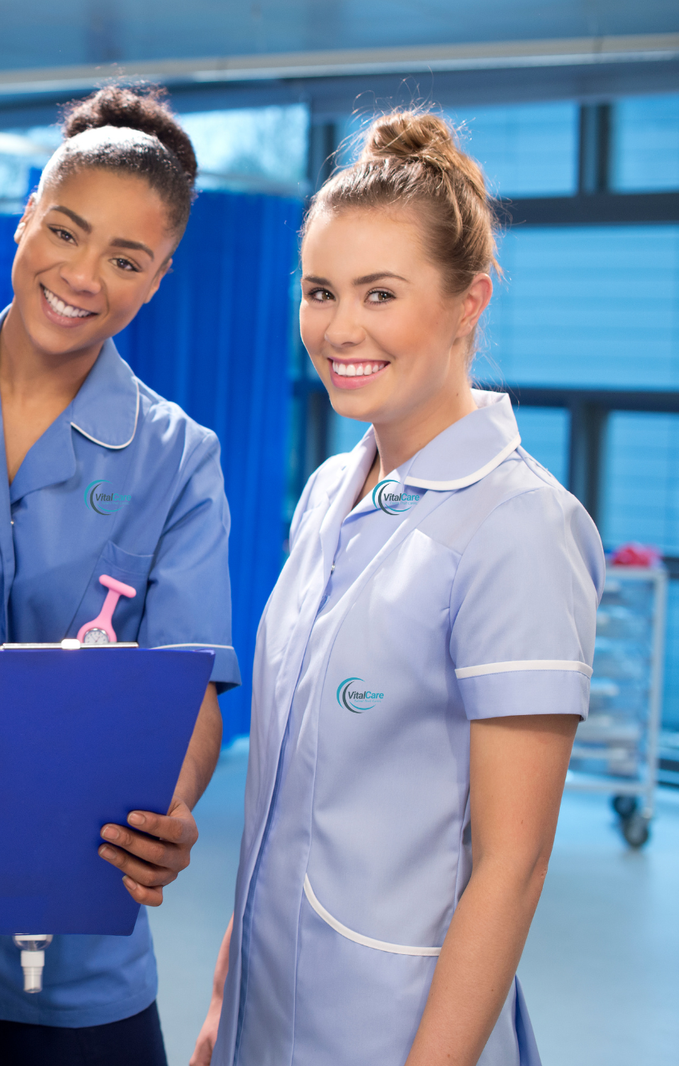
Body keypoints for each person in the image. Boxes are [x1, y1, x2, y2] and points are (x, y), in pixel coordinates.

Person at [0, 85, 240, 1065]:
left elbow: (186, 691)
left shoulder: (176, 457)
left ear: (158, 278)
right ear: (25, 216)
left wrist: (172, 803)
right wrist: (58, 691)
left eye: (126, 259)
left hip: (73, 904)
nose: (82, 275)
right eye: (63, 230)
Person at [192, 111, 602, 1066]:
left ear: (469, 303)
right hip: (268, 1014)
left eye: (382, 294)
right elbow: (282, 798)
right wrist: (225, 999)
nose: (341, 330)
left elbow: (514, 863)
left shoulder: (518, 527)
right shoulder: (333, 491)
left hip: (401, 1033)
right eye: (320, 292)